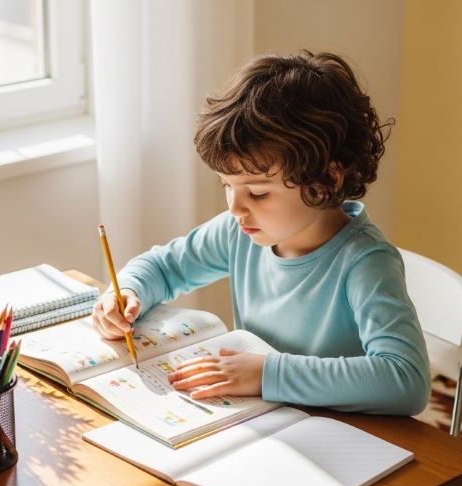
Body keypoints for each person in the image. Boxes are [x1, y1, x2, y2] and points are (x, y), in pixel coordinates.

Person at [92, 51, 430, 416]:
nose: (235, 208)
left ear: (327, 179)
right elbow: (162, 267)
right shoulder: (239, 231)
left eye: (257, 193)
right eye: (226, 185)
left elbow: (406, 380)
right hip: (263, 422)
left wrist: (268, 372)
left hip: (341, 436)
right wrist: (126, 290)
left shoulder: (365, 262)